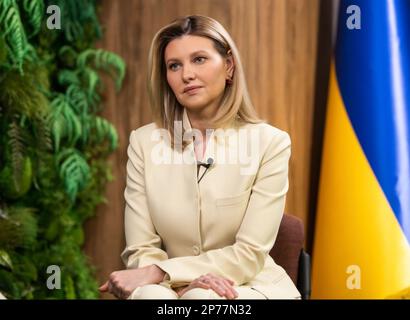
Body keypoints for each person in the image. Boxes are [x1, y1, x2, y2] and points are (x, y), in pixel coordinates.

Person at [99, 15, 300, 300]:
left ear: (228, 66)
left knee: (202, 300)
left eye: (199, 60)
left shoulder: (270, 143)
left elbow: (249, 255)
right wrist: (179, 284)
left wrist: (163, 272)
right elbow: (140, 248)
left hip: (250, 286)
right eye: (174, 66)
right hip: (168, 290)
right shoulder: (144, 143)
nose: (187, 75)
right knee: (153, 298)